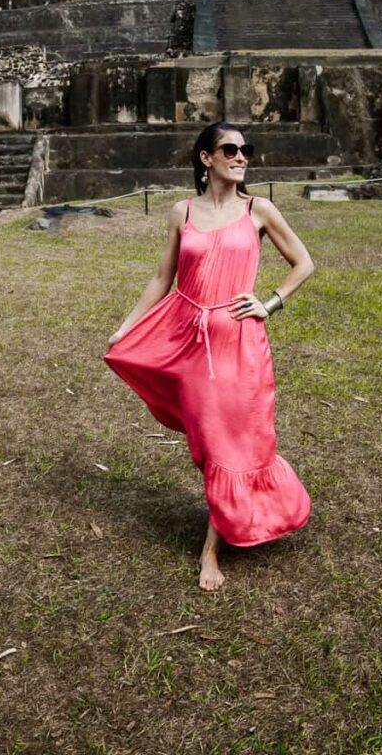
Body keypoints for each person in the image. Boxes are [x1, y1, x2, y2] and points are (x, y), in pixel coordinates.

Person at [104, 122, 314, 591]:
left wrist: (269, 302)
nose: (241, 157)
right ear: (206, 158)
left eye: (246, 150)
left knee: (234, 444)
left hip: (241, 347)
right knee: (207, 447)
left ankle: (210, 551)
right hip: (190, 345)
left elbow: (304, 262)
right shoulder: (182, 213)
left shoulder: (260, 210)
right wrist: (126, 327)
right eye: (230, 149)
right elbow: (162, 280)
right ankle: (229, 517)